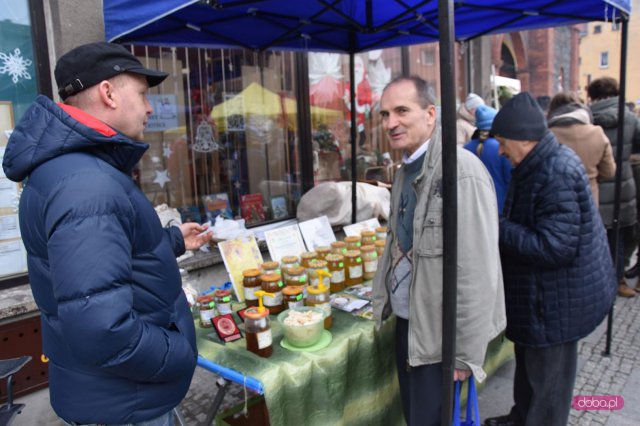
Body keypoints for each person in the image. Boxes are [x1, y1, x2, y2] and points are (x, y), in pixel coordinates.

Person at [2, 42, 212, 425]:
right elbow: (102, 327)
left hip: (113, 396)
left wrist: (175, 241)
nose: (150, 108)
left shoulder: (72, 170)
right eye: (144, 95)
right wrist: (179, 352)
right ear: (108, 93)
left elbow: (105, 267)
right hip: (126, 405)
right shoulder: (87, 184)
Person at [372, 76, 506, 425]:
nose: (391, 123)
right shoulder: (405, 169)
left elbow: (478, 271)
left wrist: (463, 354)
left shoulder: (461, 172)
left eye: (402, 111)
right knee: (416, 416)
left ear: (431, 114)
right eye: (385, 114)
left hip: (440, 337)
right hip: (410, 322)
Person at [484, 92, 616, 426]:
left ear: (524, 140)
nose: (500, 150)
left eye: (502, 142)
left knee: (549, 388)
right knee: (528, 366)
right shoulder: (537, 162)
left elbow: (554, 247)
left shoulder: (556, 170)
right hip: (540, 298)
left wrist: (498, 228)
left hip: (556, 303)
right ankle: (520, 418)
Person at [587, 77, 640, 296]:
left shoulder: (587, 118)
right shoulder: (630, 118)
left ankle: (595, 283)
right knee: (619, 238)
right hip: (622, 185)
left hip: (595, 185)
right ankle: (617, 282)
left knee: (596, 238)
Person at [547, 91, 616, 209]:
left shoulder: (547, 135)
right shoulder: (597, 132)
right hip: (589, 198)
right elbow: (609, 172)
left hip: (555, 199)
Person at [464, 105, 512, 214]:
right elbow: (510, 180)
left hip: (472, 208)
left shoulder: (466, 148)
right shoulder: (502, 148)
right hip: (499, 208)